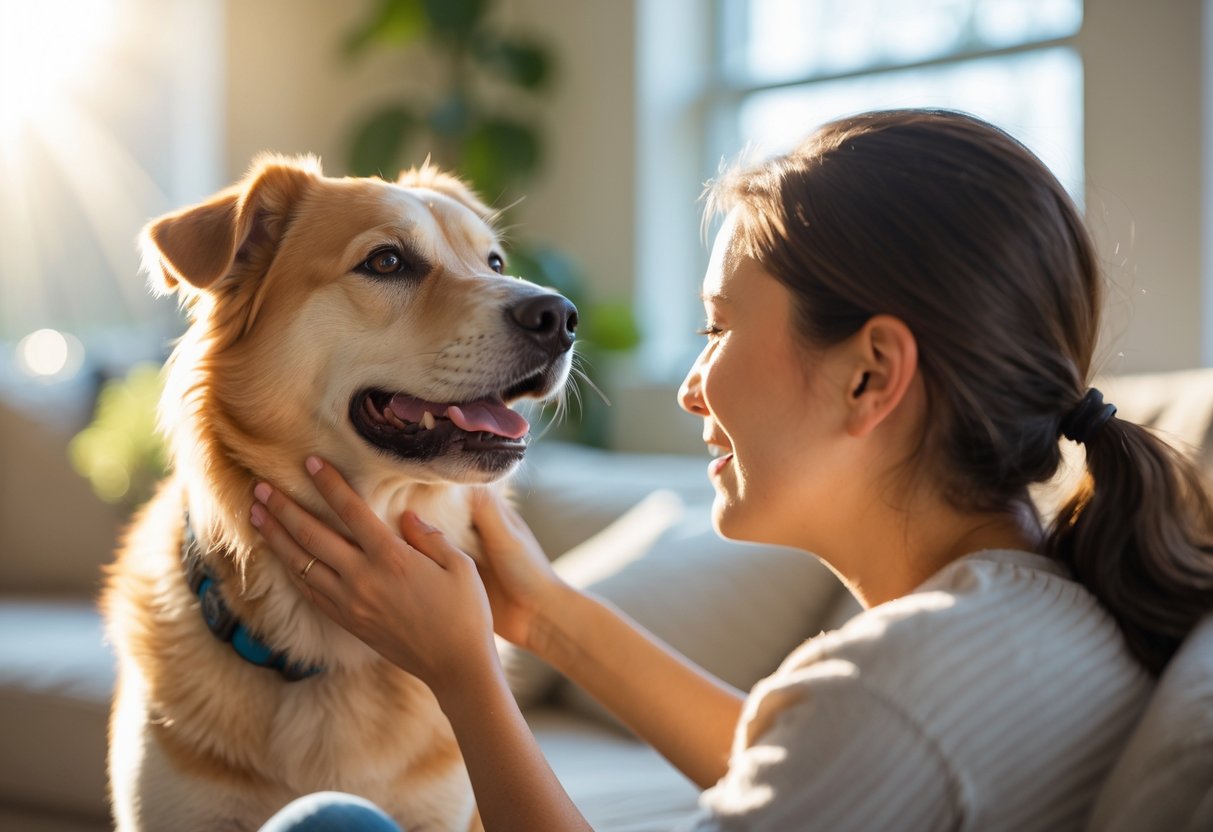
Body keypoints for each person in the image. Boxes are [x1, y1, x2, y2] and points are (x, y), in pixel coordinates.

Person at [248, 109, 1213, 831]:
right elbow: (790, 761)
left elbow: (853, 735)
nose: (691, 389)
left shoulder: (886, 699)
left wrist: (465, 675)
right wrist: (538, 609)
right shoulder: (1053, 607)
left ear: (869, 374)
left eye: (719, 330)